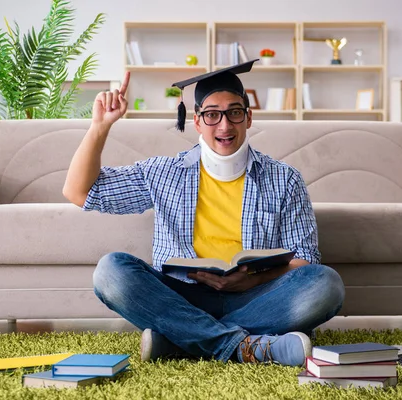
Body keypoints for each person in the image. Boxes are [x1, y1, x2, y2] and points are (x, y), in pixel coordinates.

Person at [63, 60, 345, 367]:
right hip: (183, 297)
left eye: (234, 112)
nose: (224, 126)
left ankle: (180, 340)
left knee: (325, 284)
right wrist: (100, 127)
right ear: (197, 122)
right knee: (110, 272)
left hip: (257, 296)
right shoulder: (163, 172)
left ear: (248, 118)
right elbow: (81, 192)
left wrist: (249, 281)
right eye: (212, 115)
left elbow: (306, 259)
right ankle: (244, 346)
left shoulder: (284, 178)